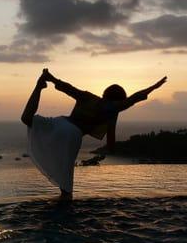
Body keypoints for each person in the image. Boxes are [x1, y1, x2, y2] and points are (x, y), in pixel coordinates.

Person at [21, 68, 167, 200]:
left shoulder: (89, 97)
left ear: (104, 93)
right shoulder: (113, 109)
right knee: (66, 190)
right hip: (73, 133)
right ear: (119, 99)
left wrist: (51, 78)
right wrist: (154, 87)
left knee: (27, 118)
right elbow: (135, 98)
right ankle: (62, 216)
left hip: (61, 122)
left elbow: (68, 88)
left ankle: (39, 87)